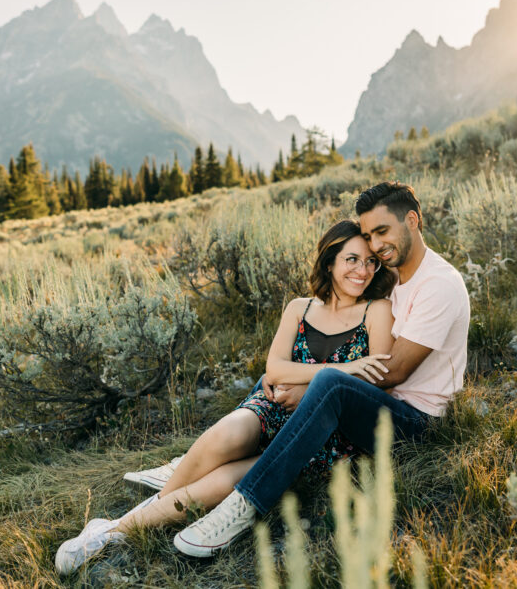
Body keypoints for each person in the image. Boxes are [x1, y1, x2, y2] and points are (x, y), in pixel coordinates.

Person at [55, 219, 397, 574]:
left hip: (321, 433)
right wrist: (338, 371)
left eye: (371, 262)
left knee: (225, 480)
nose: (363, 270)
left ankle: (115, 532)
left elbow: (373, 382)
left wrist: (309, 386)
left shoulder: (378, 311)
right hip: (276, 406)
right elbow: (276, 369)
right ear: (330, 262)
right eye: (352, 260)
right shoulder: (300, 308)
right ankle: (130, 517)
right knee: (226, 433)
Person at [172, 181, 470, 557]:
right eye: (368, 237)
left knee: (326, 381)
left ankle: (244, 504)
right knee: (283, 382)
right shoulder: (393, 274)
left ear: (412, 220)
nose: (375, 246)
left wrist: (311, 385)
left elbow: (392, 374)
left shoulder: (438, 285)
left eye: (382, 232)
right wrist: (286, 377)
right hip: (374, 406)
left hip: (416, 422)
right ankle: (199, 460)